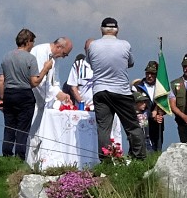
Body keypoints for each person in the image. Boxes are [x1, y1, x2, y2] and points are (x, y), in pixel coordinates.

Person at [85, 17, 146, 160]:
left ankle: (105, 159)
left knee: (104, 128)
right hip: (121, 91)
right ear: (117, 30)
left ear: (101, 29)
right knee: (132, 125)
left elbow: (91, 64)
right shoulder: (125, 45)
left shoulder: (93, 46)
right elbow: (130, 63)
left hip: (100, 90)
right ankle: (139, 157)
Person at [0, 29, 43, 160]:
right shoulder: (30, 59)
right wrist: (45, 69)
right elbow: (34, 82)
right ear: (28, 41)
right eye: (32, 42)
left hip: (9, 93)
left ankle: (6, 154)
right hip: (24, 94)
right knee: (22, 129)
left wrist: (2, 98)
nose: (33, 45)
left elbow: (1, 80)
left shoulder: (6, 57)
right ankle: (19, 157)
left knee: (9, 126)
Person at [29, 36, 74, 152]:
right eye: (64, 54)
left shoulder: (55, 58)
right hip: (34, 96)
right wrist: (56, 94)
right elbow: (39, 79)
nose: (63, 57)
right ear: (59, 46)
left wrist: (61, 94)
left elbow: (55, 80)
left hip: (45, 99)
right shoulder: (40, 52)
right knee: (33, 133)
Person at [132, 60, 169, 151]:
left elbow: (165, 103)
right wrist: (152, 115)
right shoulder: (137, 87)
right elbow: (135, 104)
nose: (149, 75)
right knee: (142, 148)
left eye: (152, 73)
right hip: (142, 124)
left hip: (157, 124)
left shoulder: (161, 87)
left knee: (157, 149)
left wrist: (159, 112)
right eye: (148, 73)